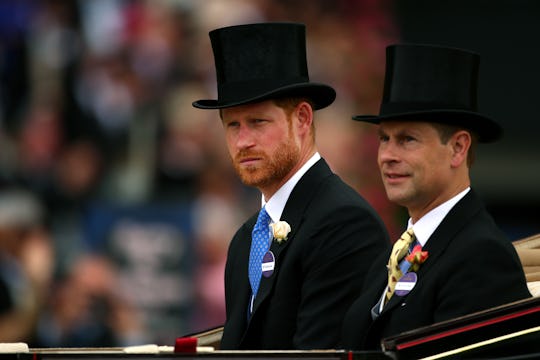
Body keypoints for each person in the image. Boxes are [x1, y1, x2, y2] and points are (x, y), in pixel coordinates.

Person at [192, 22, 389, 350]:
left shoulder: (345, 223)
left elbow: (320, 354)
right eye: (232, 125)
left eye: (258, 122)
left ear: (302, 119)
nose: (243, 141)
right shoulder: (245, 240)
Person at [341, 43, 532, 350]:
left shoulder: (481, 257)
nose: (387, 155)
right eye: (384, 138)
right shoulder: (393, 256)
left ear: (458, 148)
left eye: (407, 140)